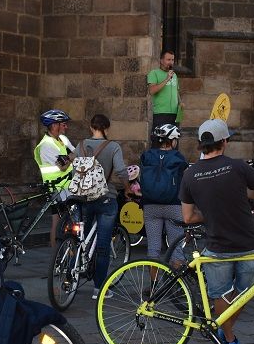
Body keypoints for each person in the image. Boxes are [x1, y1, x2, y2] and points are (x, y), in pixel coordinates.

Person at [180, 119, 254, 344]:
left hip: (217, 245)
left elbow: (188, 217)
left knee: (221, 293)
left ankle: (229, 339)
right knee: (243, 293)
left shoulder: (190, 175)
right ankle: (226, 332)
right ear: (224, 142)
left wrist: (211, 213)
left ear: (202, 145)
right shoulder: (237, 167)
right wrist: (241, 194)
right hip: (248, 243)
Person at [76, 114, 128, 299]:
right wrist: (128, 187)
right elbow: (121, 170)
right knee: (103, 246)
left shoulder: (80, 145)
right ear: (106, 128)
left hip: (84, 198)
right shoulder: (112, 147)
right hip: (105, 198)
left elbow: (70, 166)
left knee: (84, 240)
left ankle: (76, 266)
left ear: (91, 128)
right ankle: (99, 289)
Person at [139, 123, 187, 267]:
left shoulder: (146, 156)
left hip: (150, 206)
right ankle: (177, 286)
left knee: (153, 249)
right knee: (176, 249)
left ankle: (153, 287)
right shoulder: (178, 157)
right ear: (173, 141)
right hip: (173, 206)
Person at [34, 109, 74, 246]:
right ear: (54, 125)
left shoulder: (63, 139)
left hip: (67, 187)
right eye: (63, 124)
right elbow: (63, 166)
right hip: (55, 188)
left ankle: (66, 253)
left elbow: (76, 154)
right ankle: (57, 254)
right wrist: (71, 158)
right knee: (58, 223)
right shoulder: (46, 145)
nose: (66, 127)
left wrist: (70, 158)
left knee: (66, 221)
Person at [147, 50, 181, 136]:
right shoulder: (154, 73)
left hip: (174, 114)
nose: (171, 62)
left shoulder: (175, 75)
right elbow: (152, 91)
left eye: (172, 60)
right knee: (160, 141)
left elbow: (176, 92)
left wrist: (181, 104)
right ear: (161, 60)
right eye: (168, 59)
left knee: (173, 142)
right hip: (161, 114)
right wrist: (167, 79)